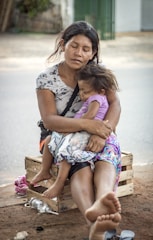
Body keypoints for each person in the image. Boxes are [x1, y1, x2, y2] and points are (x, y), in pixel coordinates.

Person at [32, 21, 121, 240]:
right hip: (61, 138)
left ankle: (102, 202)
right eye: (74, 45)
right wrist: (87, 125)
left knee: (106, 160)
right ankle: (95, 225)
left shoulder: (97, 73)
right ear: (63, 45)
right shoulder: (46, 78)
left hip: (98, 134)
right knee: (80, 166)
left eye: (86, 49)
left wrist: (103, 133)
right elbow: (50, 120)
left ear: (93, 53)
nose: (78, 53)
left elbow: (115, 105)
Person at [31, 63, 121, 203]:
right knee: (49, 140)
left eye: (84, 91)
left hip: (87, 133)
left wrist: (76, 127)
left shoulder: (96, 98)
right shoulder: (47, 78)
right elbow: (49, 120)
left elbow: (90, 117)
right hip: (80, 130)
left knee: (69, 152)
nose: (81, 94)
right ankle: (44, 171)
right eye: (80, 90)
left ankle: (60, 183)